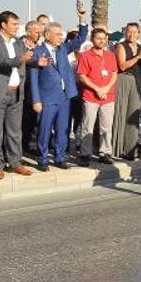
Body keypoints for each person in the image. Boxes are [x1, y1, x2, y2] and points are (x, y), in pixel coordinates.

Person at [0, 11, 50, 180]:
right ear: (3, 25)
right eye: (14, 24)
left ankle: (15, 162)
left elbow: (25, 59)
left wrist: (36, 61)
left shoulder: (18, 42)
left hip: (16, 93)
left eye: (18, 24)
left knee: (14, 131)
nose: (17, 28)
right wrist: (21, 58)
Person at [29, 9, 88, 171]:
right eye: (58, 34)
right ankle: (42, 159)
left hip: (64, 96)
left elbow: (81, 38)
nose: (61, 37)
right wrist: (36, 100)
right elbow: (33, 78)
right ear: (47, 35)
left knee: (63, 129)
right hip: (47, 98)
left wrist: (82, 17)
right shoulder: (37, 52)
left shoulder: (63, 48)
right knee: (45, 129)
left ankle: (60, 157)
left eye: (61, 35)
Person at [77, 28, 118, 166]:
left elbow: (114, 73)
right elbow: (82, 76)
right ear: (92, 39)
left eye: (103, 38)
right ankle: (85, 153)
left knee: (106, 126)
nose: (101, 41)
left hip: (108, 96)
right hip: (90, 96)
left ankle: (105, 152)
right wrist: (97, 89)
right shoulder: (85, 56)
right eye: (98, 38)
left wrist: (105, 89)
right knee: (87, 126)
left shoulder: (111, 55)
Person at [113, 23, 141, 159]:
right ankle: (117, 148)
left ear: (139, 34)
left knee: (133, 116)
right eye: (129, 31)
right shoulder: (121, 46)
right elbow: (122, 66)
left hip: (137, 81)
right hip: (123, 80)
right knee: (120, 114)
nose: (131, 34)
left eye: (134, 32)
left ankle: (130, 150)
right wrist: (138, 57)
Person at [21, 20, 44, 153]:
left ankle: (33, 145)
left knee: (35, 118)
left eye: (41, 32)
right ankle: (21, 146)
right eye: (37, 32)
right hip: (21, 86)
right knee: (22, 119)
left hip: (37, 88)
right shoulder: (18, 44)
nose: (39, 35)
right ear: (28, 31)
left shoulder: (41, 46)